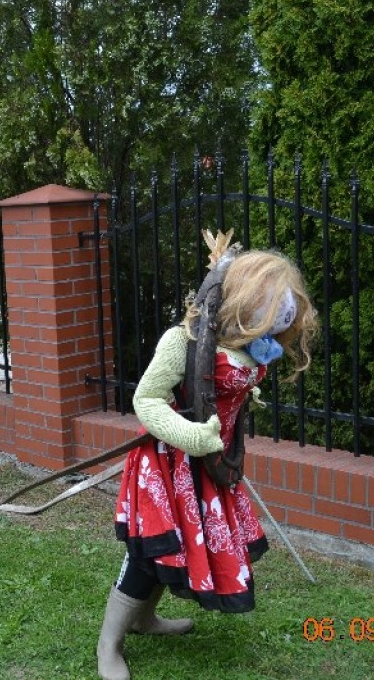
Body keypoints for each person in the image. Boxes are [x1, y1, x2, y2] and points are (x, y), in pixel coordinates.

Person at [96, 238, 318, 680]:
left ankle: (143, 620)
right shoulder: (181, 341)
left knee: (174, 549)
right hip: (167, 466)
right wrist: (192, 435)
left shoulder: (249, 345)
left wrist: (240, 396)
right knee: (149, 553)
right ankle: (109, 645)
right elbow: (147, 400)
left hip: (208, 470)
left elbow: (225, 381)